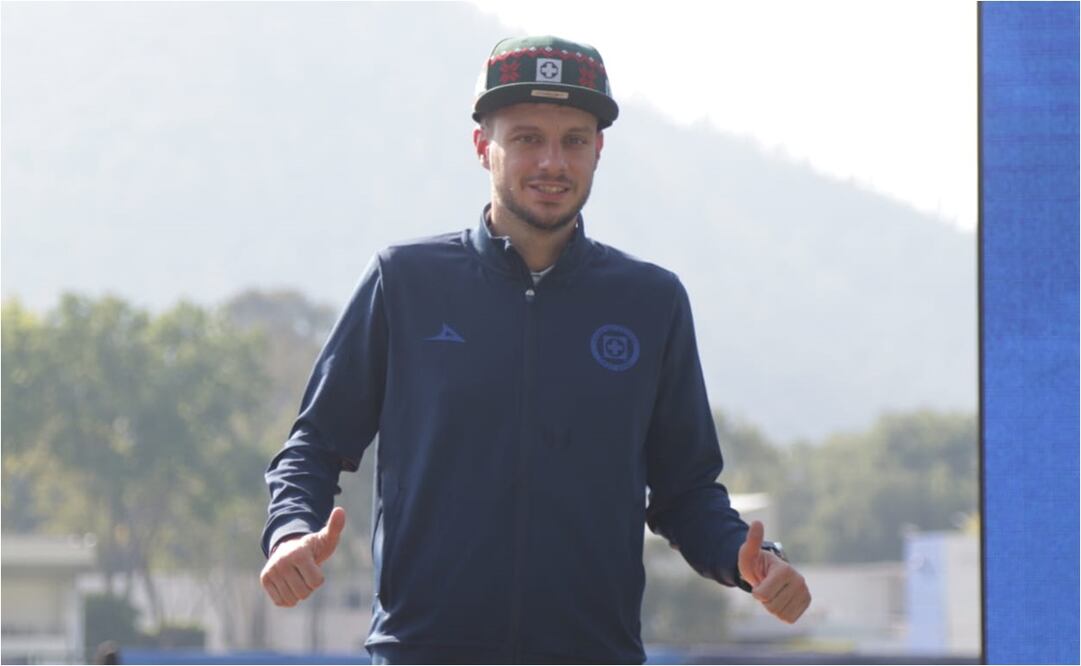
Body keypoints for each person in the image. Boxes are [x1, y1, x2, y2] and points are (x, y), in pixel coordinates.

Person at [260, 35, 811, 664]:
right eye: (526, 138)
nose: (553, 161)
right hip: (423, 652)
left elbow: (686, 491)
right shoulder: (404, 282)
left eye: (574, 139)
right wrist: (290, 532)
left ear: (599, 150)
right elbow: (313, 446)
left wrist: (753, 563)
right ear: (482, 147)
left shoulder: (651, 301)